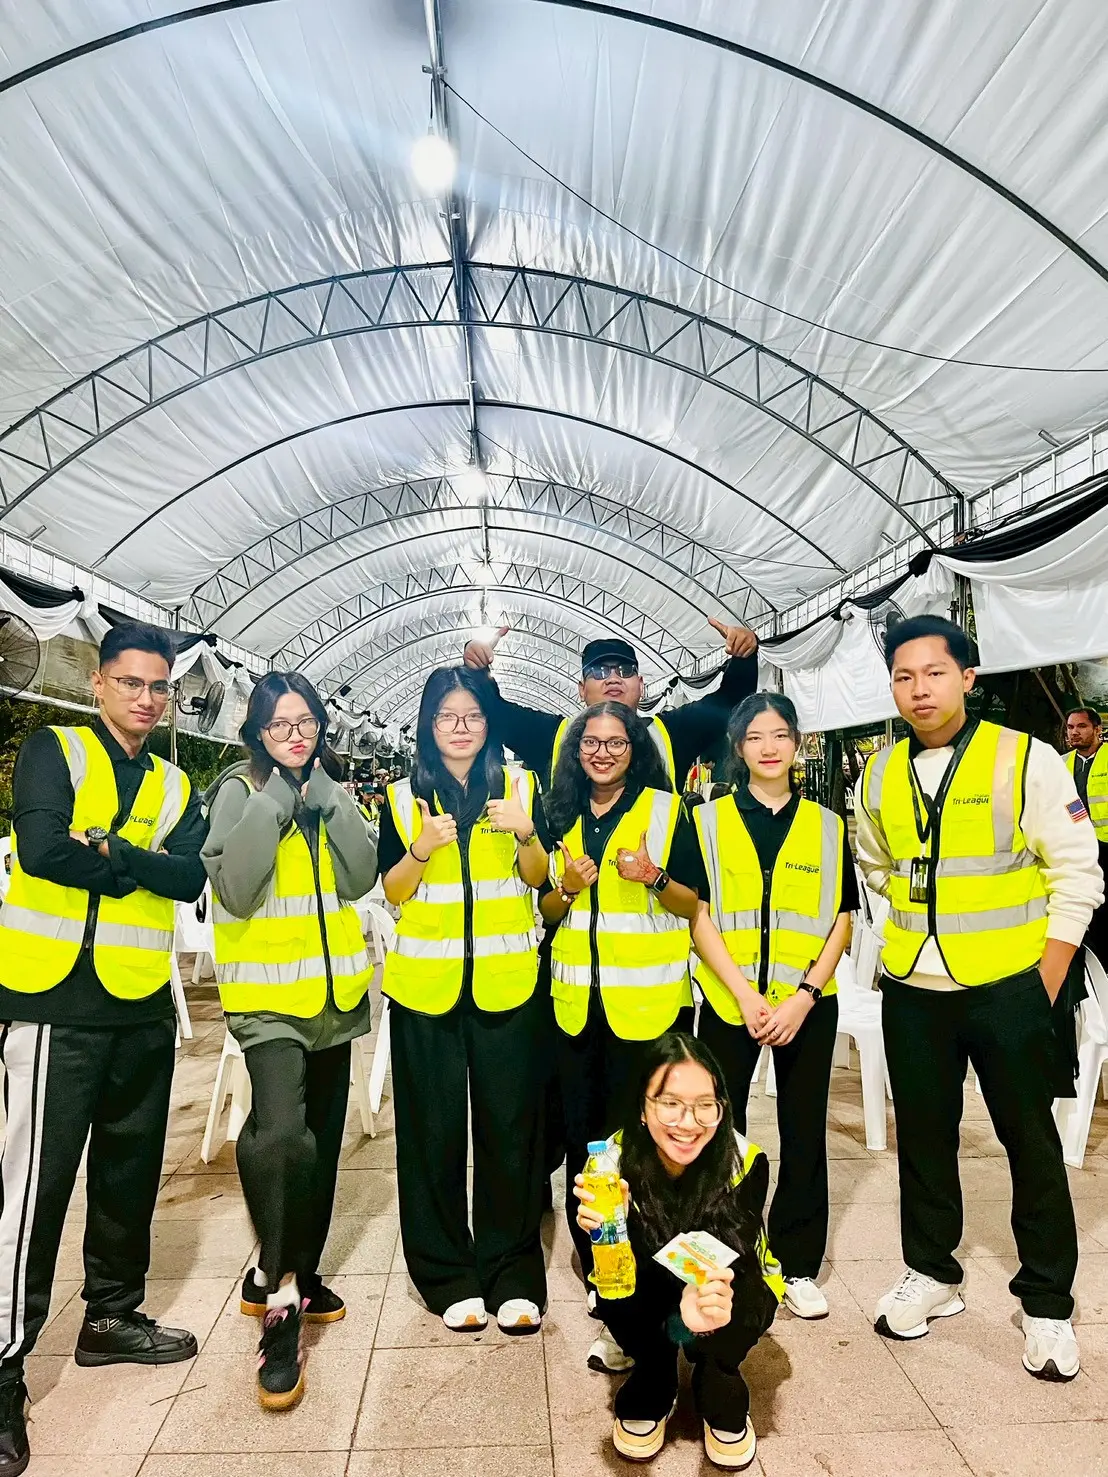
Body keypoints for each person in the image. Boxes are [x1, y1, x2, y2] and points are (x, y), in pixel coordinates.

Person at [855, 614, 1103, 1380]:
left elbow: (1078, 872)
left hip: (1009, 989)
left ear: (968, 677)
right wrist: (907, 935)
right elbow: (875, 863)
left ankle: (1048, 1303)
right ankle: (932, 1272)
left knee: (1030, 1143)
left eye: (934, 672)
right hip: (913, 989)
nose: (919, 689)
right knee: (924, 1140)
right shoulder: (879, 774)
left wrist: (1043, 982)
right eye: (904, 676)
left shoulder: (1025, 759)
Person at [0, 621, 208, 1473]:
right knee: (32, 1190)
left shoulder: (174, 780)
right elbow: (44, 850)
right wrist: (140, 863)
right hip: (53, 1001)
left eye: (159, 687)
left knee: (128, 1171)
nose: (147, 698)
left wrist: (116, 851)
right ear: (98, 683)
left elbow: (190, 874)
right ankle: (3, 1370)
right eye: (132, 682)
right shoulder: (54, 750)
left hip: (139, 1001)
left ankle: (112, 1315)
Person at [201, 672, 377, 1410]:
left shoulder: (331, 791)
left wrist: (332, 802)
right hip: (270, 1003)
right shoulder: (239, 790)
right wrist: (275, 801)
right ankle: (278, 1303)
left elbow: (360, 877)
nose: (295, 735)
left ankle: (298, 1270)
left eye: (306, 722)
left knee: (321, 1146)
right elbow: (236, 890)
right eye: (279, 724)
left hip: (333, 1002)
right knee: (280, 1136)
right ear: (257, 731)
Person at [379, 667, 551, 1334]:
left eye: (473, 715)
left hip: (508, 983)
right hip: (426, 989)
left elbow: (539, 880)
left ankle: (512, 1270)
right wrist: (421, 849)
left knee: (511, 1131)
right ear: (428, 724)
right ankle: (446, 1271)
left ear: (488, 723)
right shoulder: (402, 797)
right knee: (433, 1134)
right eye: (447, 715)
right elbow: (393, 890)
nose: (460, 727)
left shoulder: (520, 787)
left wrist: (528, 833)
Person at [541, 701, 702, 1372]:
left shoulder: (667, 812)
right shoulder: (560, 815)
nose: (602, 752)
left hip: (649, 1012)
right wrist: (566, 888)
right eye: (591, 741)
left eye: (615, 741)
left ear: (635, 748)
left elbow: (693, 902)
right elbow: (547, 910)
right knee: (588, 1150)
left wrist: (653, 877)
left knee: (646, 1151)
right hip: (578, 1010)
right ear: (576, 750)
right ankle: (603, 1279)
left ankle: (656, 1275)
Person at [684, 693, 856, 1321]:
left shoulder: (828, 825)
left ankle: (798, 1262)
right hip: (731, 1001)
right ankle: (721, 1253)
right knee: (716, 1133)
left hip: (806, 1005)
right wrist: (743, 993)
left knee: (804, 1132)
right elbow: (698, 916)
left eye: (780, 734)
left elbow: (842, 918)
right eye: (755, 737)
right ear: (739, 747)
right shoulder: (706, 821)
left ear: (797, 743)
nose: (769, 747)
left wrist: (804, 996)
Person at [572, 1032, 780, 1470]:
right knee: (614, 1284)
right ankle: (654, 1373)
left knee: (741, 1300)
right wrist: (612, 1227)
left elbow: (740, 1257)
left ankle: (717, 1374)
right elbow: (610, 1270)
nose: (688, 1123)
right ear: (642, 1108)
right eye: (670, 1103)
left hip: (725, 1285)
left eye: (705, 1105)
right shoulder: (608, 1165)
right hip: (649, 1281)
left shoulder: (745, 1160)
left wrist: (704, 1319)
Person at [462, 621, 760, 789]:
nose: (613, 678)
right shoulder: (552, 737)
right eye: (599, 672)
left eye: (625, 671)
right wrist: (477, 669)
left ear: (641, 685)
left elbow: (730, 702)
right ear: (582, 689)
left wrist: (744, 656)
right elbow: (494, 713)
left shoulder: (671, 734)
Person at [1064, 706, 1108, 966]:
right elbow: (1067, 801)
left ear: (1097, 729)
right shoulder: (1062, 763)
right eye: (1070, 727)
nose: (1074, 732)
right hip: (1079, 847)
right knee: (1087, 904)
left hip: (1107, 844)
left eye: (1081, 726)